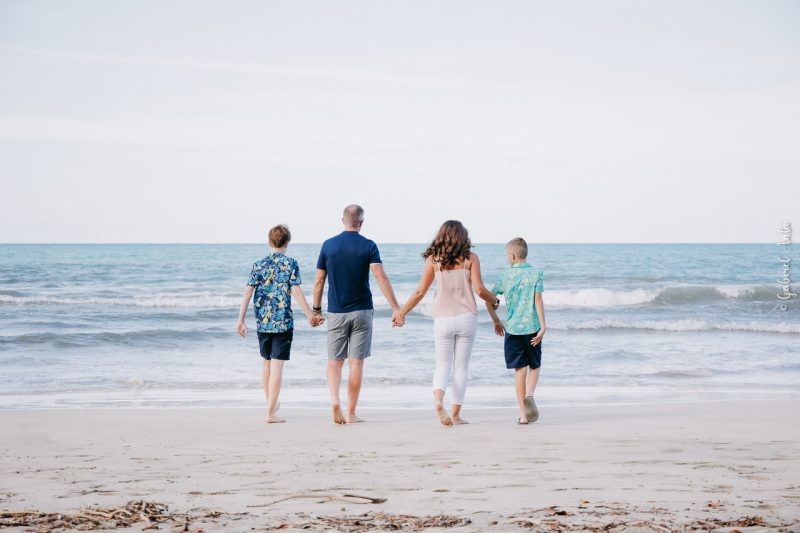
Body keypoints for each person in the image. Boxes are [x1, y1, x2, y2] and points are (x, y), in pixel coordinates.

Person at [393, 220, 500, 427]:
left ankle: (438, 400)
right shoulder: (471, 259)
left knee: (442, 365)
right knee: (461, 368)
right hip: (466, 318)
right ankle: (456, 415)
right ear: (463, 237)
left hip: (442, 319)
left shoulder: (434, 260)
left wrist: (402, 312)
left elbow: (419, 292)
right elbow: (479, 290)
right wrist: (495, 300)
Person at [312, 205, 402, 425]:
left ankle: (335, 401)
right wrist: (396, 307)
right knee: (356, 363)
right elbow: (380, 277)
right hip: (362, 311)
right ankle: (351, 413)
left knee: (334, 362)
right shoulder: (368, 245)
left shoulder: (328, 245)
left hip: (336, 311)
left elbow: (319, 281)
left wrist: (316, 310)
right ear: (361, 222)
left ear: (342, 220)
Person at [236, 225, 323, 423]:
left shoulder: (258, 265)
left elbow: (247, 293)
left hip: (263, 323)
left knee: (266, 365)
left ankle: (271, 406)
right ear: (287, 243)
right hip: (283, 322)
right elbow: (296, 291)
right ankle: (270, 413)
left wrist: (240, 320)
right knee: (277, 367)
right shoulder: (290, 263)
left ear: (269, 242)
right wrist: (310, 314)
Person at [491, 237, 546, 425]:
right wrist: (543, 326)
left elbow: (491, 298)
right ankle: (529, 395)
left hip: (513, 329)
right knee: (535, 366)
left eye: (507, 254)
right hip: (532, 327)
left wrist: (495, 313)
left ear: (513, 255)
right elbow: (538, 301)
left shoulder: (505, 276)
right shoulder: (536, 273)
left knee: (519, 370)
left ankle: (523, 415)